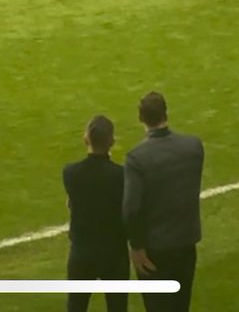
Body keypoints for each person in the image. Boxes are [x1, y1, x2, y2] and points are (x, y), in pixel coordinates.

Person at [123, 92, 206, 311]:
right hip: (186, 242)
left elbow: (131, 208)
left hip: (155, 250)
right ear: (165, 113)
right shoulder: (193, 147)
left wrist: (136, 246)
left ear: (141, 118)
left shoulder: (137, 159)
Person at [64, 115, 129, 312]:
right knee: (117, 307)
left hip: (82, 252)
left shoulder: (71, 172)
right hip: (114, 254)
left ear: (86, 139)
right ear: (112, 141)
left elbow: (73, 202)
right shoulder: (121, 175)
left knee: (76, 307)